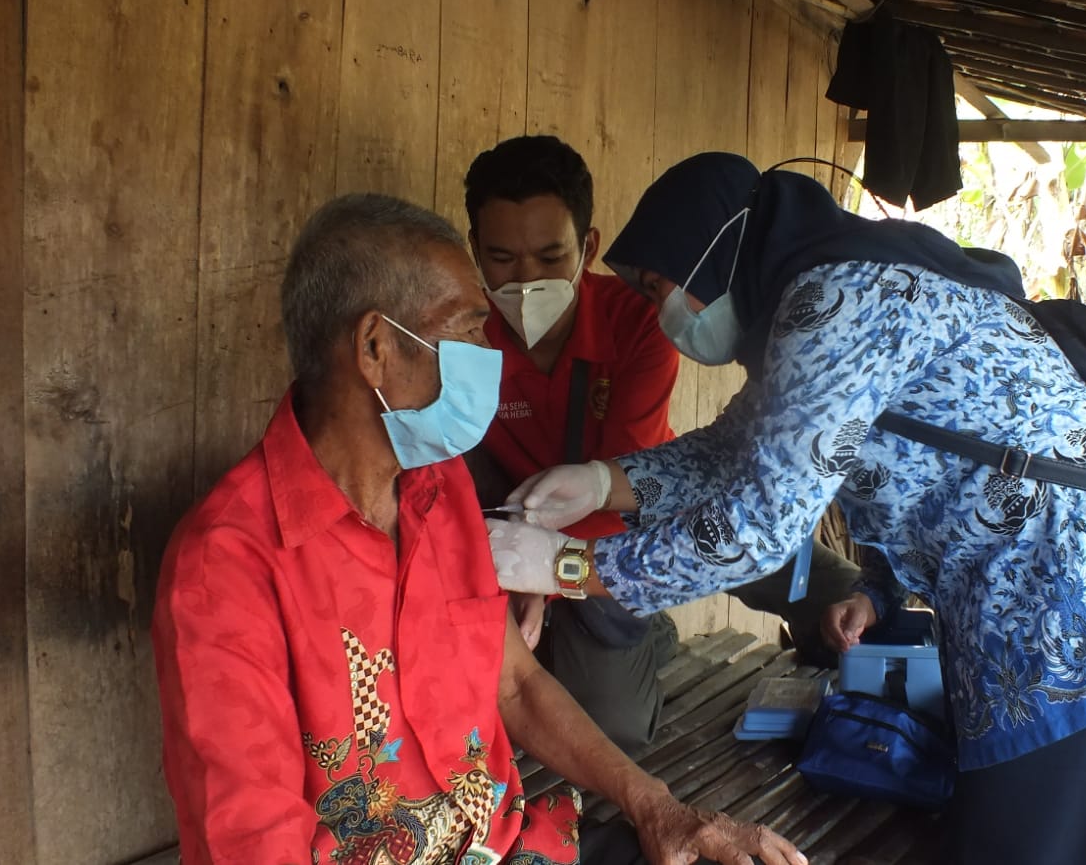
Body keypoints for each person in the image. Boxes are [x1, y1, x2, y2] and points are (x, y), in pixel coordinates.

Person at [482, 153, 1086, 864]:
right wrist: (604, 480)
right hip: (1051, 607)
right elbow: (737, 449)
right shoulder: (821, 298)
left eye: (658, 286)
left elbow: (760, 525)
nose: (662, 311)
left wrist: (569, 564)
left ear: (714, 253)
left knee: (1077, 842)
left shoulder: (835, 303)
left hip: (1078, 617)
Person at [151, 192, 806, 865]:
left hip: (510, 845)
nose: (489, 350)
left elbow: (516, 683)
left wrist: (657, 806)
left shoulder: (438, 488)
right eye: (466, 330)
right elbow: (253, 842)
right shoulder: (226, 565)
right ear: (376, 347)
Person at [463, 135, 861, 752]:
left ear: (587, 247)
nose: (526, 282)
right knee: (601, 723)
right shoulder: (463, 337)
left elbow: (700, 509)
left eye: (549, 257)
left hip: (642, 509)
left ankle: (653, 621)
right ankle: (642, 628)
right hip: (530, 517)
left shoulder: (639, 322)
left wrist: (552, 572)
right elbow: (719, 451)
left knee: (832, 592)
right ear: (475, 255)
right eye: (502, 260)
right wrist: (526, 561)